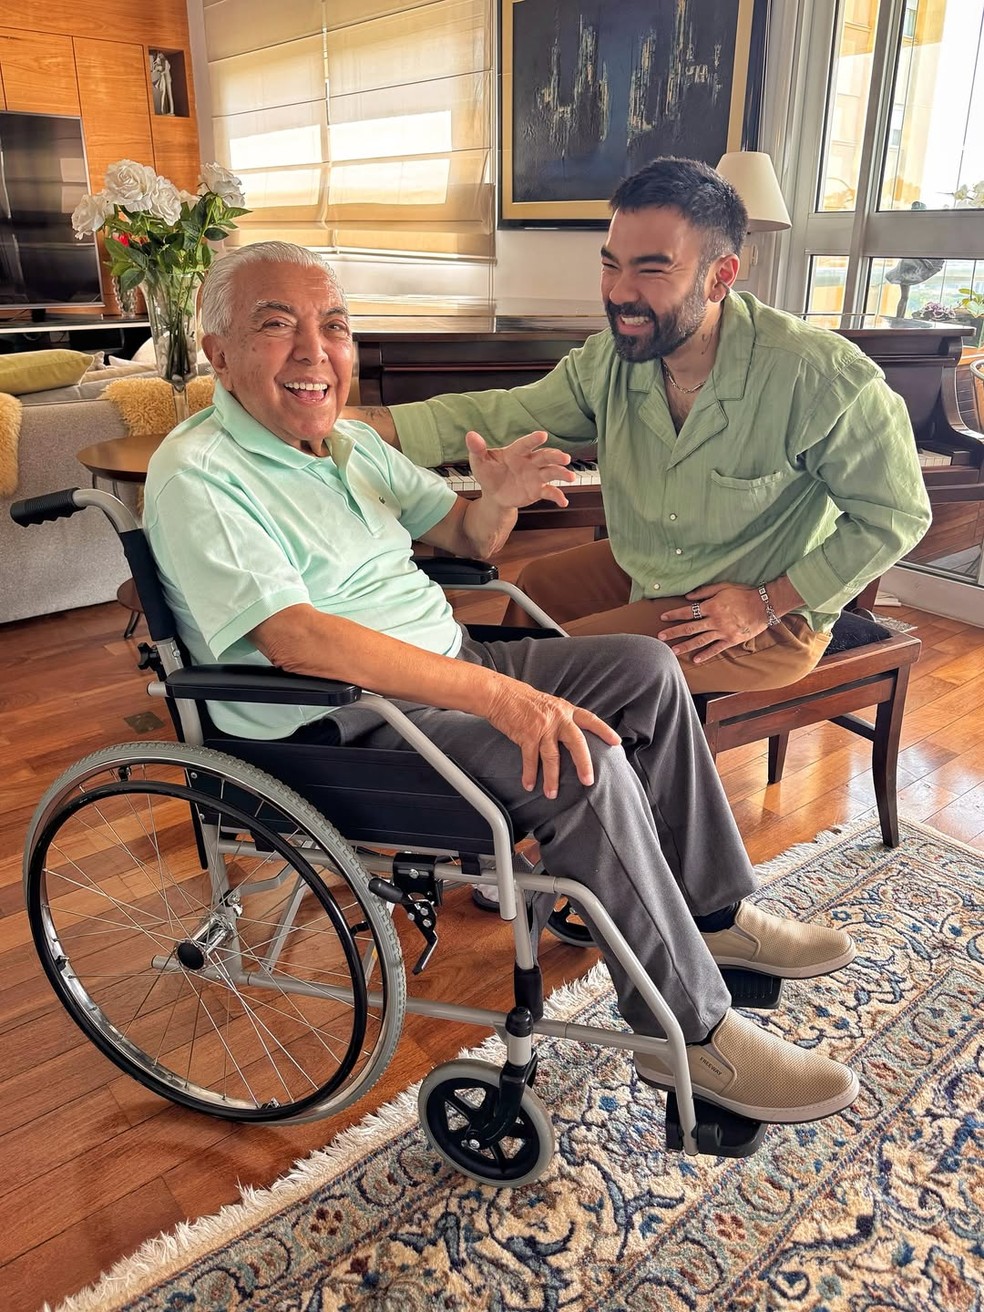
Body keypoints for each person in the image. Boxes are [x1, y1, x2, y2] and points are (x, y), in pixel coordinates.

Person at [144, 240, 861, 1128]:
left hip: (443, 669)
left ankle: (712, 911)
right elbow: (296, 638)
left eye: (332, 327)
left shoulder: (349, 444)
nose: (313, 352)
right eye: (276, 325)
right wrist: (499, 698)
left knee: (646, 666)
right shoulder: (198, 473)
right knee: (572, 756)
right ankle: (690, 1034)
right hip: (344, 726)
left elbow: (462, 537)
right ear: (217, 352)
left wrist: (500, 496)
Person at [345, 156, 931, 696]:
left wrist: (768, 602)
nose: (620, 292)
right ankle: (539, 762)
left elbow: (897, 515)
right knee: (536, 589)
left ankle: (600, 773)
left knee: (551, 675)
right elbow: (505, 413)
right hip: (656, 568)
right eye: (611, 264)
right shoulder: (611, 359)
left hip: (762, 612)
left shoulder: (820, 376)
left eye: (652, 270)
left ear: (720, 276)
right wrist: (361, 422)